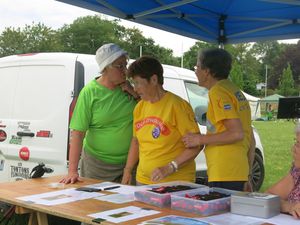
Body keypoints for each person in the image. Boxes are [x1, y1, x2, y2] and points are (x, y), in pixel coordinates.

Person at [60, 43, 139, 184]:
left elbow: (150, 110)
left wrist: (134, 93)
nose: (125, 71)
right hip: (97, 165)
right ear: (105, 68)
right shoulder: (90, 92)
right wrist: (72, 171)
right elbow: (78, 133)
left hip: (129, 164)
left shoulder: (130, 89)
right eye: (120, 66)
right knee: (96, 205)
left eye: (125, 65)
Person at [121, 56, 203, 185]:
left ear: (154, 79)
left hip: (175, 183)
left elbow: (196, 145)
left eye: (137, 83)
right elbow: (136, 142)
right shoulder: (139, 107)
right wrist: (127, 170)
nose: (135, 89)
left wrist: (170, 167)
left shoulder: (177, 106)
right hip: (143, 181)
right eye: (133, 83)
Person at [182, 48, 254, 191]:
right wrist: (248, 173)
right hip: (237, 170)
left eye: (197, 67)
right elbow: (250, 137)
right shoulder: (234, 90)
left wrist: (199, 139)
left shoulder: (218, 92)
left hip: (225, 172)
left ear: (207, 71)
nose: (195, 71)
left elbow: (236, 133)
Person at [267, 125, 300, 219]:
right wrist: (289, 206)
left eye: (298, 144)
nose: (293, 149)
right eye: (295, 142)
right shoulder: (297, 173)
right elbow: (267, 197)